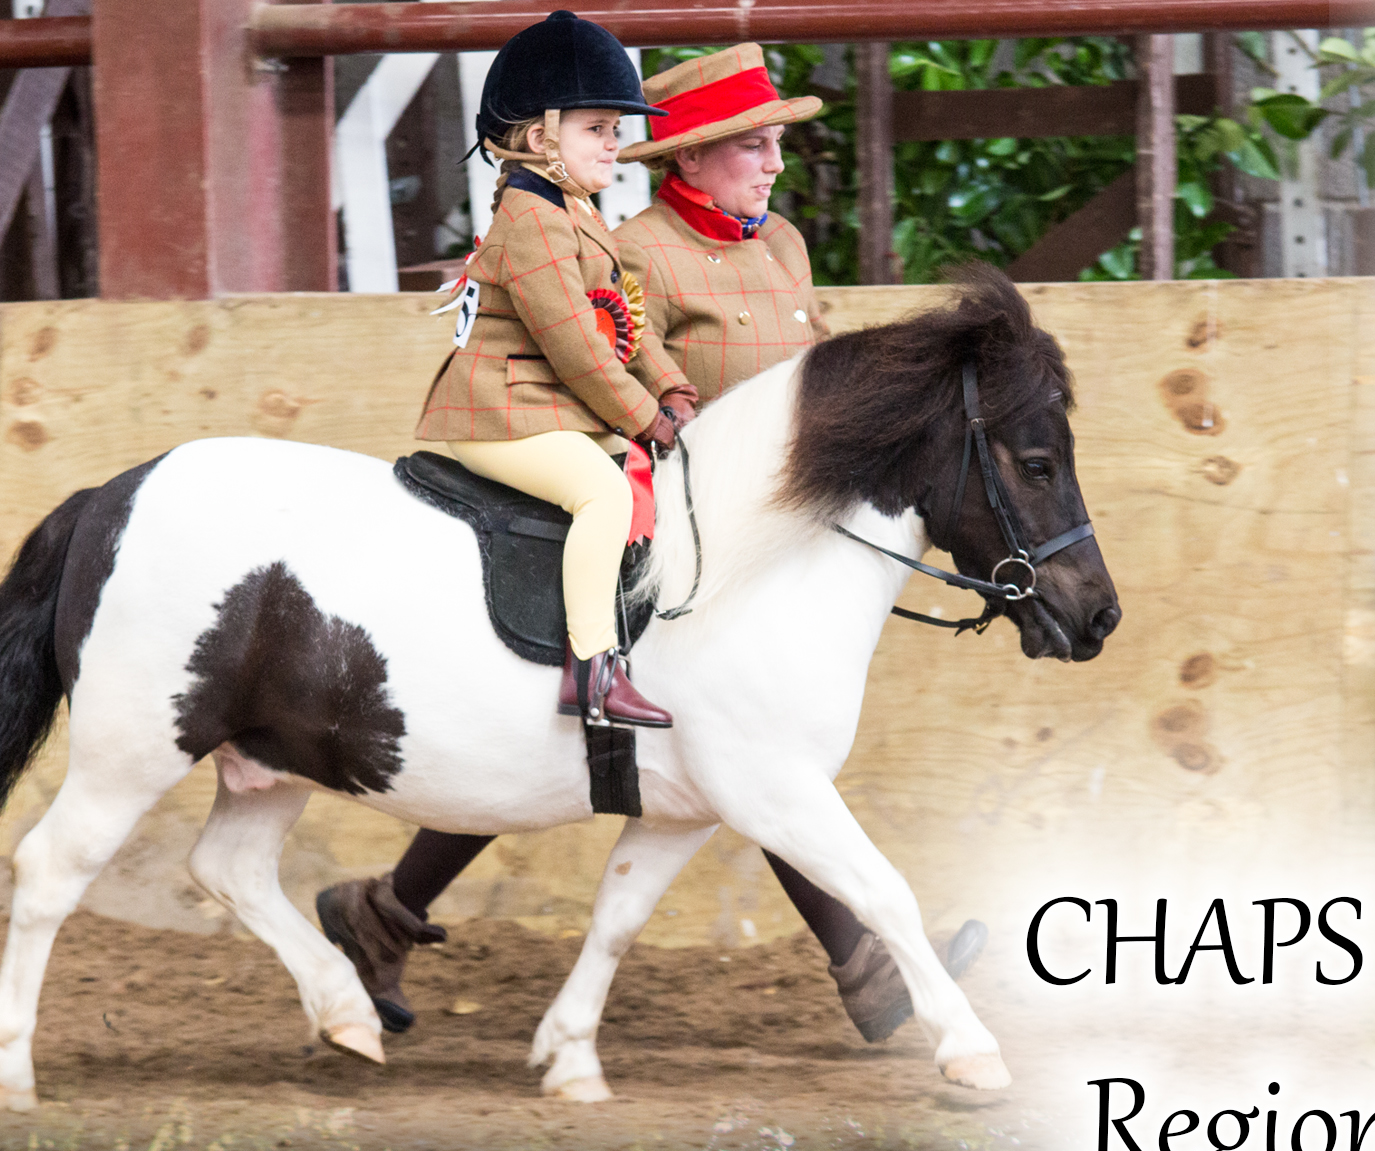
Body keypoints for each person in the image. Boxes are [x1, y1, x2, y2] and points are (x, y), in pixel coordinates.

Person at [323, 41, 979, 1046]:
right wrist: (671, 424)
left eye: (774, 145)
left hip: (769, 524)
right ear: (695, 158)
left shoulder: (786, 246)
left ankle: (385, 912)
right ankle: (865, 963)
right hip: (677, 514)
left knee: (755, 756)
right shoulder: (632, 246)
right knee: (723, 751)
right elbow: (621, 368)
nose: (771, 164)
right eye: (752, 146)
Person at [414, 9, 694, 736]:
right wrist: (643, 418)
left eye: (615, 128)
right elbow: (575, 345)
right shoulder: (532, 218)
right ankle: (593, 670)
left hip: (546, 408)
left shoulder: (573, 208)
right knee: (602, 493)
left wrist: (670, 384)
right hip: (499, 411)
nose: (615, 142)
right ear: (541, 137)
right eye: (597, 128)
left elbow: (621, 313)